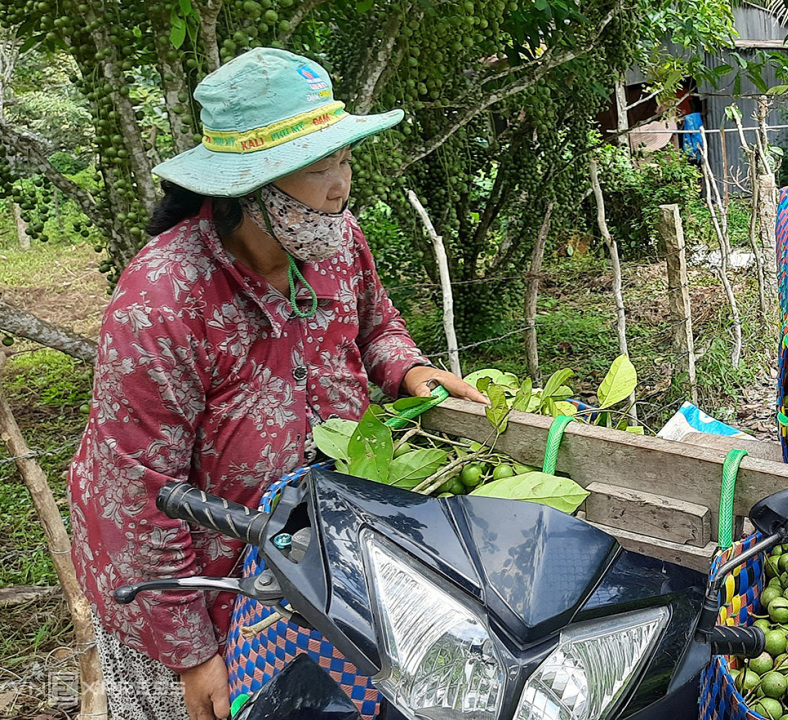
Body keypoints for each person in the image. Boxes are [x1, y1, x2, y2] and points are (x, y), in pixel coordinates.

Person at [68, 48, 487, 720]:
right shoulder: (165, 297)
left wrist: (407, 367)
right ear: (243, 188)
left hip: (308, 560)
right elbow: (133, 491)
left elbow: (377, 327)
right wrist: (192, 652)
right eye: (318, 167)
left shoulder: (337, 242)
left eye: (344, 160)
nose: (340, 186)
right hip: (194, 587)